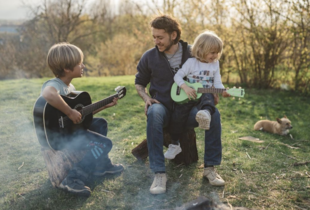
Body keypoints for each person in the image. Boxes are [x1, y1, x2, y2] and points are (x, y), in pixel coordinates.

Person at [135, 15, 225, 195]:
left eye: (160, 37)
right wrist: (146, 98)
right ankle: (159, 173)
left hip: (191, 108)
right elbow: (139, 83)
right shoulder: (149, 56)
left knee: (214, 114)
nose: (156, 41)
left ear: (173, 35)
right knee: (154, 113)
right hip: (163, 106)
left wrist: (213, 92)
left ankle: (210, 168)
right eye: (154, 37)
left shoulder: (194, 52)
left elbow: (210, 71)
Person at [41, 42, 124, 197]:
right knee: (105, 143)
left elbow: (81, 114)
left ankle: (100, 165)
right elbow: (48, 94)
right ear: (67, 68)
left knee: (100, 123)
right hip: (61, 136)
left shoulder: (70, 88)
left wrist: (105, 106)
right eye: (80, 63)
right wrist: (70, 112)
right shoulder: (54, 85)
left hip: (72, 130)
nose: (83, 65)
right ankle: (72, 177)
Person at [167, 30, 230, 160]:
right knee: (177, 116)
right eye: (212, 52)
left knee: (208, 95)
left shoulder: (215, 64)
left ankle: (205, 114)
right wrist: (185, 87)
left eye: (217, 52)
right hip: (189, 94)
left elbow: (217, 82)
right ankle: (174, 144)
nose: (215, 55)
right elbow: (177, 76)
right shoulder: (191, 63)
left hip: (204, 94)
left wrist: (223, 90)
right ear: (201, 49)